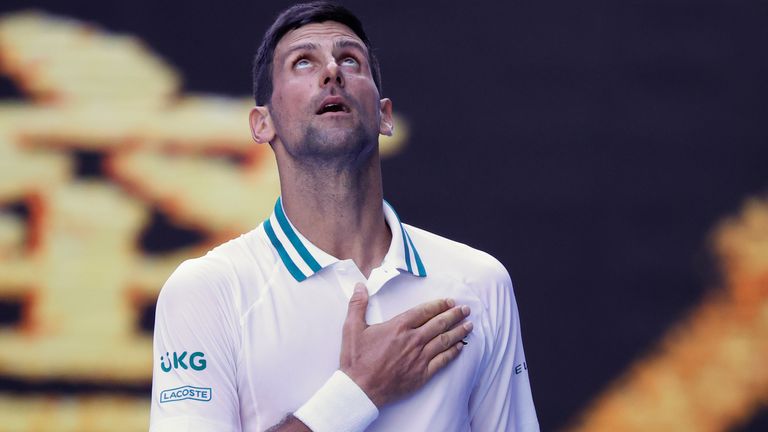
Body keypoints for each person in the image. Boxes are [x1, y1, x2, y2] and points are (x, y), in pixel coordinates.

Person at [149, 2, 539, 431]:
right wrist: (360, 391)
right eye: (303, 62)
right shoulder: (206, 291)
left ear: (384, 116)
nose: (332, 72)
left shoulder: (481, 281)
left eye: (349, 60)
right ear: (262, 123)